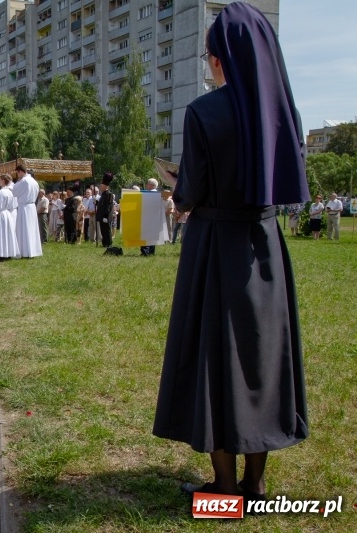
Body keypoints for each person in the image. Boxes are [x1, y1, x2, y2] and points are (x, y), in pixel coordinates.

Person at [153, 2, 309, 503]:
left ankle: (223, 488)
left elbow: (191, 194)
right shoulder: (285, 110)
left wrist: (176, 186)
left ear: (218, 57)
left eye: (206, 54)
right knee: (259, 356)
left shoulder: (204, 111)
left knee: (211, 357)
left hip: (214, 245)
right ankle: (256, 485)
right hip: (263, 246)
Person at [12, 164, 43, 258]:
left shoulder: (24, 181)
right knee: (31, 229)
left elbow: (14, 192)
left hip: (24, 207)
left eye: (17, 173)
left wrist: (18, 181)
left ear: (20, 171)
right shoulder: (34, 181)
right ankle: (33, 250)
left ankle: (25, 251)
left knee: (24, 229)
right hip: (32, 207)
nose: (17, 175)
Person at [0, 174, 18, 261]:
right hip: (8, 214)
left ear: (3, 180)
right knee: (8, 234)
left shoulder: (0, 192)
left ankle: (2, 254)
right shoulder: (10, 192)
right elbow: (13, 205)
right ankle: (9, 253)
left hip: (1, 214)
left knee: (1, 234)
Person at [140, 178, 161, 256]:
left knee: (146, 234)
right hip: (155, 219)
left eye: (147, 184)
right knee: (153, 235)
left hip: (147, 217)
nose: (146, 185)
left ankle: (145, 251)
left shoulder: (148, 194)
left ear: (151, 185)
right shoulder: (159, 194)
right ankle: (151, 251)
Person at [96, 173, 115, 247]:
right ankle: (104, 242)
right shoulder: (103, 194)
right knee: (103, 230)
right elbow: (102, 205)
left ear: (105, 186)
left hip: (105, 216)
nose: (100, 187)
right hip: (101, 215)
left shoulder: (109, 194)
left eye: (102, 185)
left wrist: (105, 215)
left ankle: (109, 243)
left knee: (107, 230)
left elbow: (108, 206)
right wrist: (96, 202)